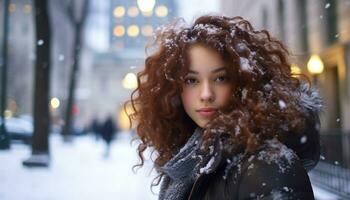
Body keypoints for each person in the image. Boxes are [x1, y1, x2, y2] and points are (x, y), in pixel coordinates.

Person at [127, 15, 322, 200]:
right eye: (191, 80)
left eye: (220, 78)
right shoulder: (188, 160)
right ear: (174, 89)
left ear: (243, 81)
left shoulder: (267, 165)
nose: (206, 94)